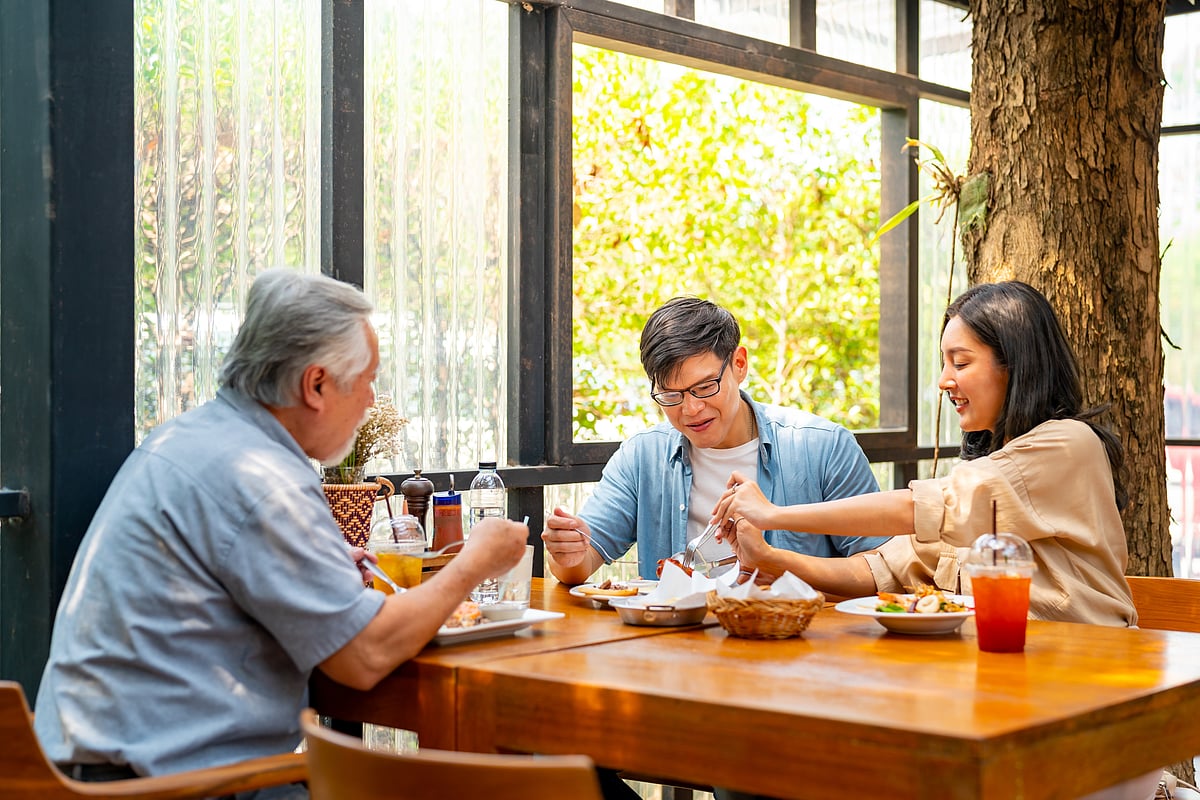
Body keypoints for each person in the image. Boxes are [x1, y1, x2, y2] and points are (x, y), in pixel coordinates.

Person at [33, 269, 528, 797]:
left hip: (81, 772)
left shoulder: (187, 437)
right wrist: (474, 561)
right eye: (367, 379)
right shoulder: (263, 479)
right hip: (161, 787)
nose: (370, 400)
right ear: (315, 385)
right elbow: (363, 658)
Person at [713, 281, 1137, 628]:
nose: (943, 380)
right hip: (1007, 674)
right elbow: (879, 570)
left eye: (961, 362)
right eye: (943, 363)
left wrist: (774, 515)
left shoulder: (1067, 444)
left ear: (1016, 364)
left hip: (1090, 667)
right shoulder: (989, 471)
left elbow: (922, 507)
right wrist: (769, 556)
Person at [542, 296, 887, 586]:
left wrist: (775, 562)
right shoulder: (642, 456)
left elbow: (882, 568)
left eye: (705, 387)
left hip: (793, 649)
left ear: (739, 364)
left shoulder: (823, 448)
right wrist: (566, 553)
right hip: (676, 650)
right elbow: (579, 564)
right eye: (671, 395)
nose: (692, 409)